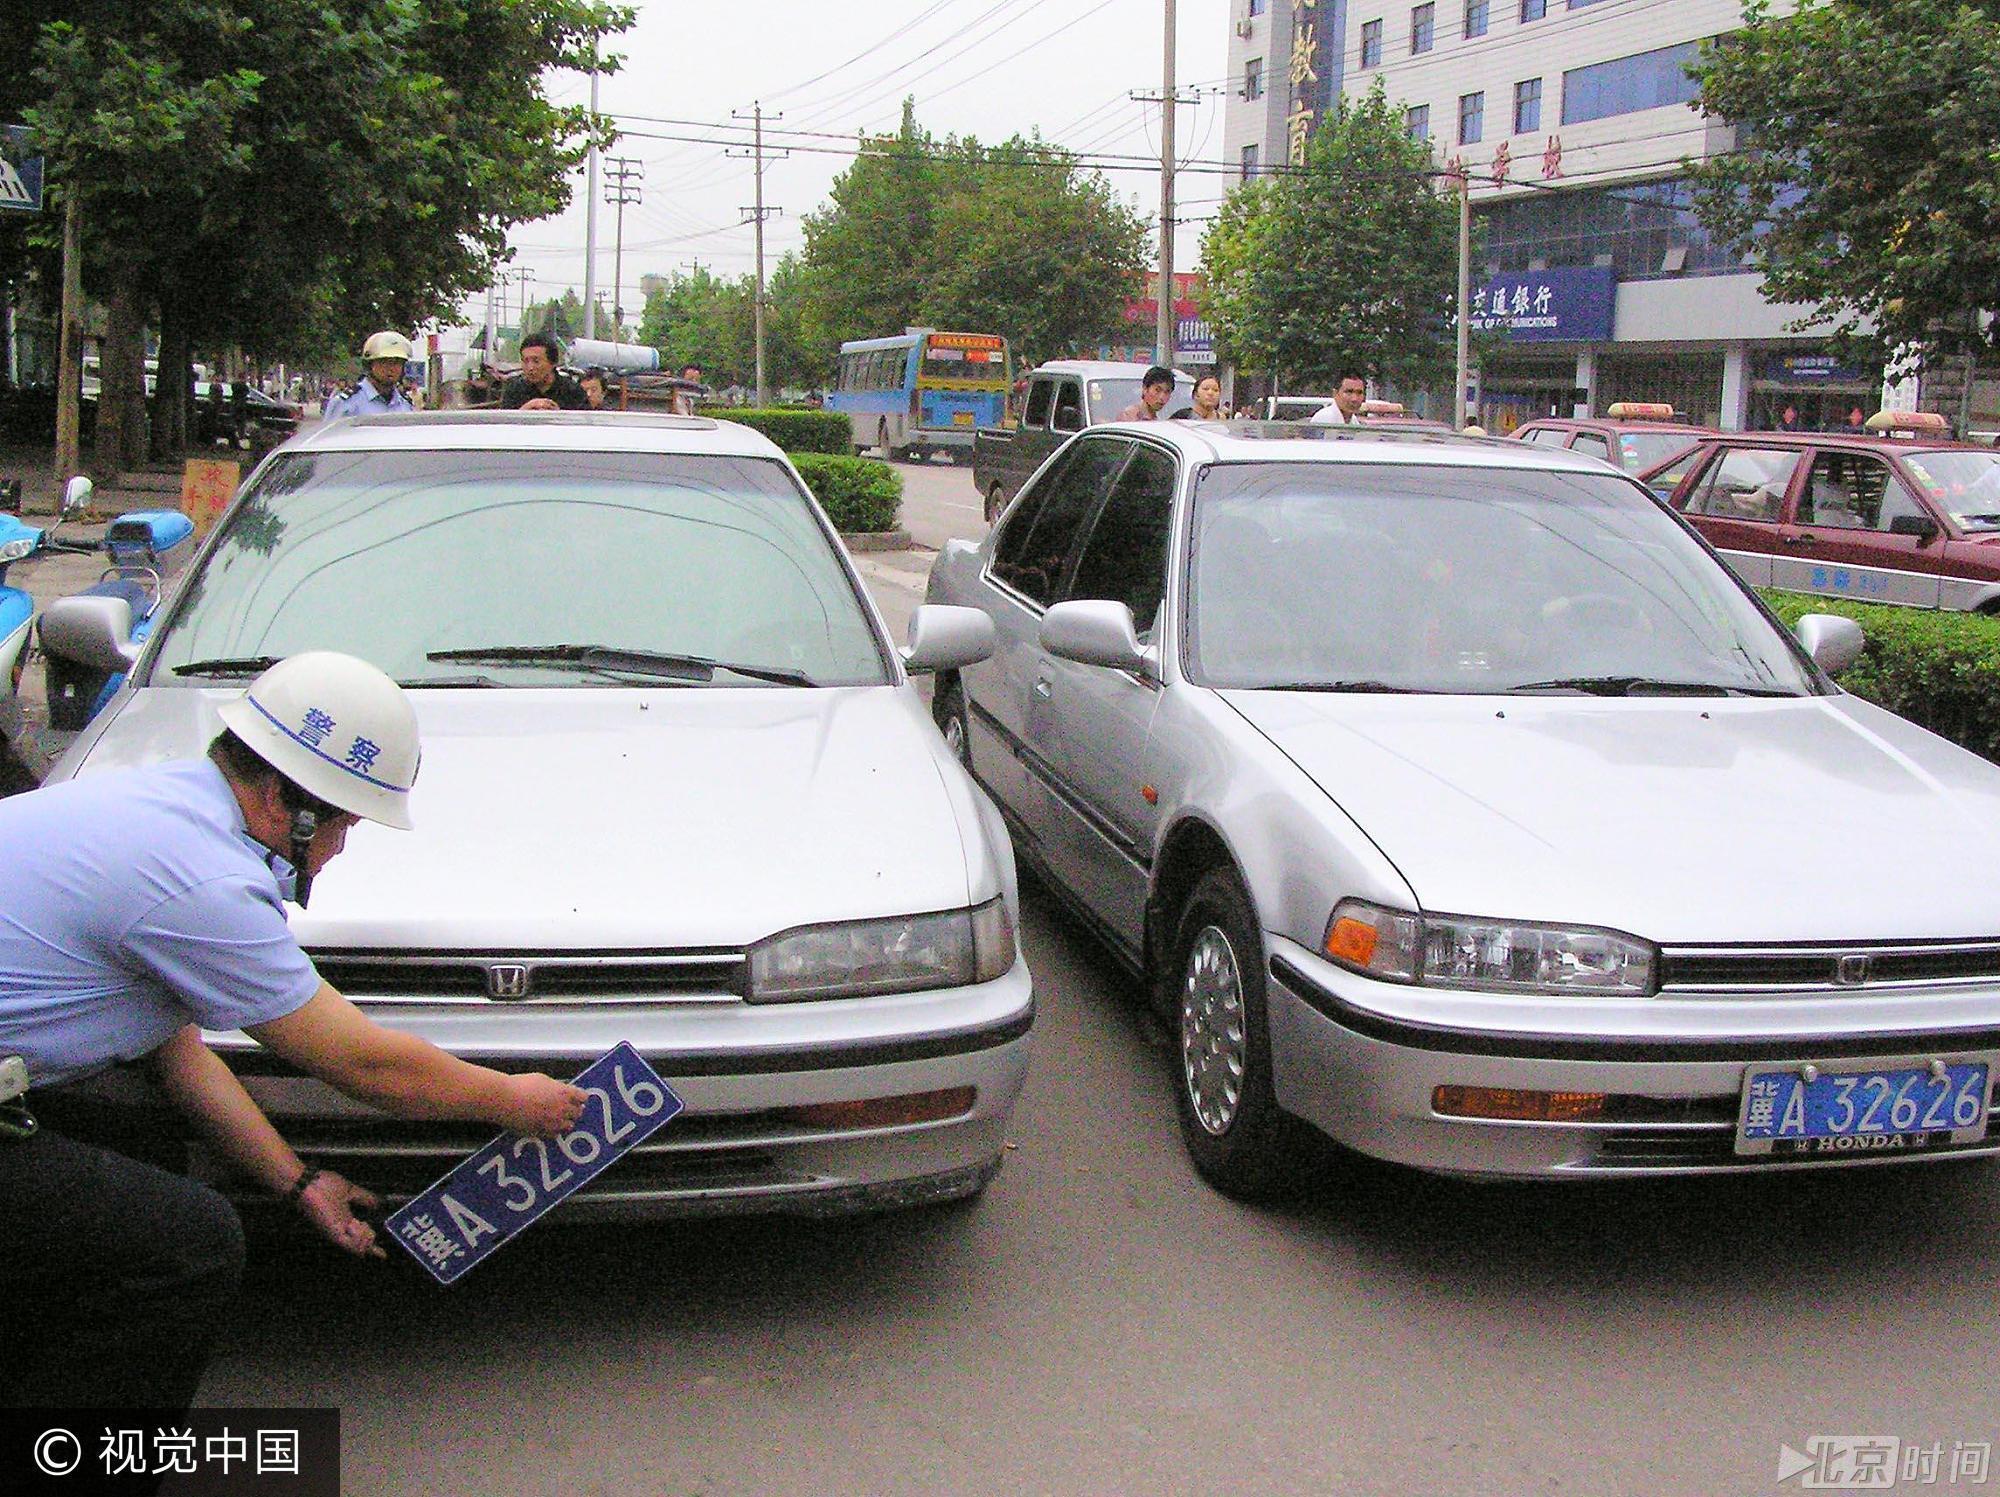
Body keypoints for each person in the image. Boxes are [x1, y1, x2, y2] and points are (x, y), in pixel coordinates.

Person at [0, 652, 588, 1414]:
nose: (340, 848)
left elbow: (172, 1046)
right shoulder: (200, 879)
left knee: (139, 1157)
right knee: (191, 1244)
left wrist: (297, 1181)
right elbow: (367, 1066)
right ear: (283, 799)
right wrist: (513, 1099)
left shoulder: (157, 809)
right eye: (342, 823)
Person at [323, 331, 416, 419]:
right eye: (384, 362)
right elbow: (330, 435)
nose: (391, 368)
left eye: (397, 363)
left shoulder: (405, 404)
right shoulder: (346, 403)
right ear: (370, 365)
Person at [501, 333, 590, 411]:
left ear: (553, 362)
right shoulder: (514, 390)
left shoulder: (572, 391)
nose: (530, 367)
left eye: (536, 361)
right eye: (525, 361)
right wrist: (525, 410)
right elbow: (505, 425)